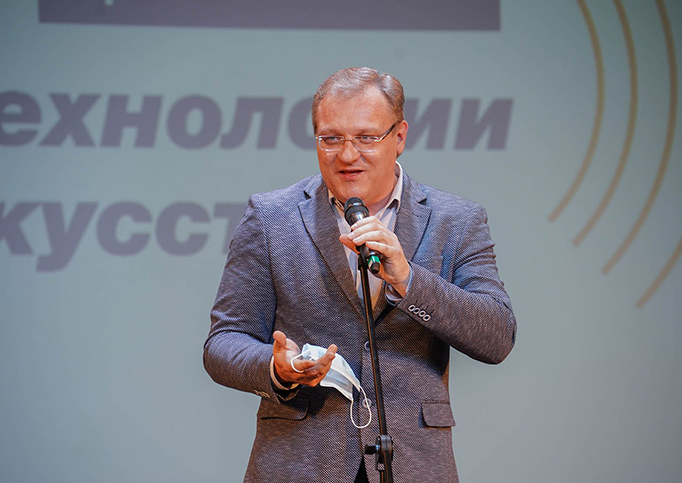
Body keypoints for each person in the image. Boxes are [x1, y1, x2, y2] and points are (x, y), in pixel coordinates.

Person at [203, 67, 516, 482]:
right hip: (300, 463)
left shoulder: (456, 220)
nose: (347, 155)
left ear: (399, 137)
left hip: (413, 464)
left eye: (366, 137)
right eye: (331, 138)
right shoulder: (270, 218)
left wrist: (408, 281)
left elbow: (496, 337)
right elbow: (224, 342)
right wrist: (278, 369)